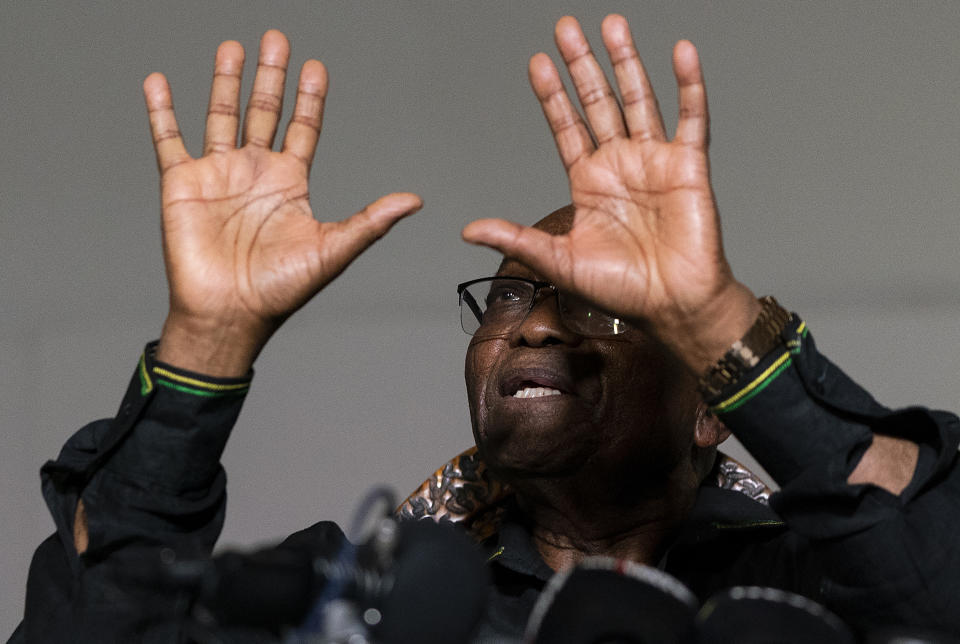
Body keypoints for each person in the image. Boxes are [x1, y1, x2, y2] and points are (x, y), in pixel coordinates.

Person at [13, 14, 960, 643]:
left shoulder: (802, 587)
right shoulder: (362, 596)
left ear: (708, 408)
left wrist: (712, 315)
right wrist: (204, 346)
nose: (534, 328)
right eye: (509, 297)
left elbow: (937, 590)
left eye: (601, 303)